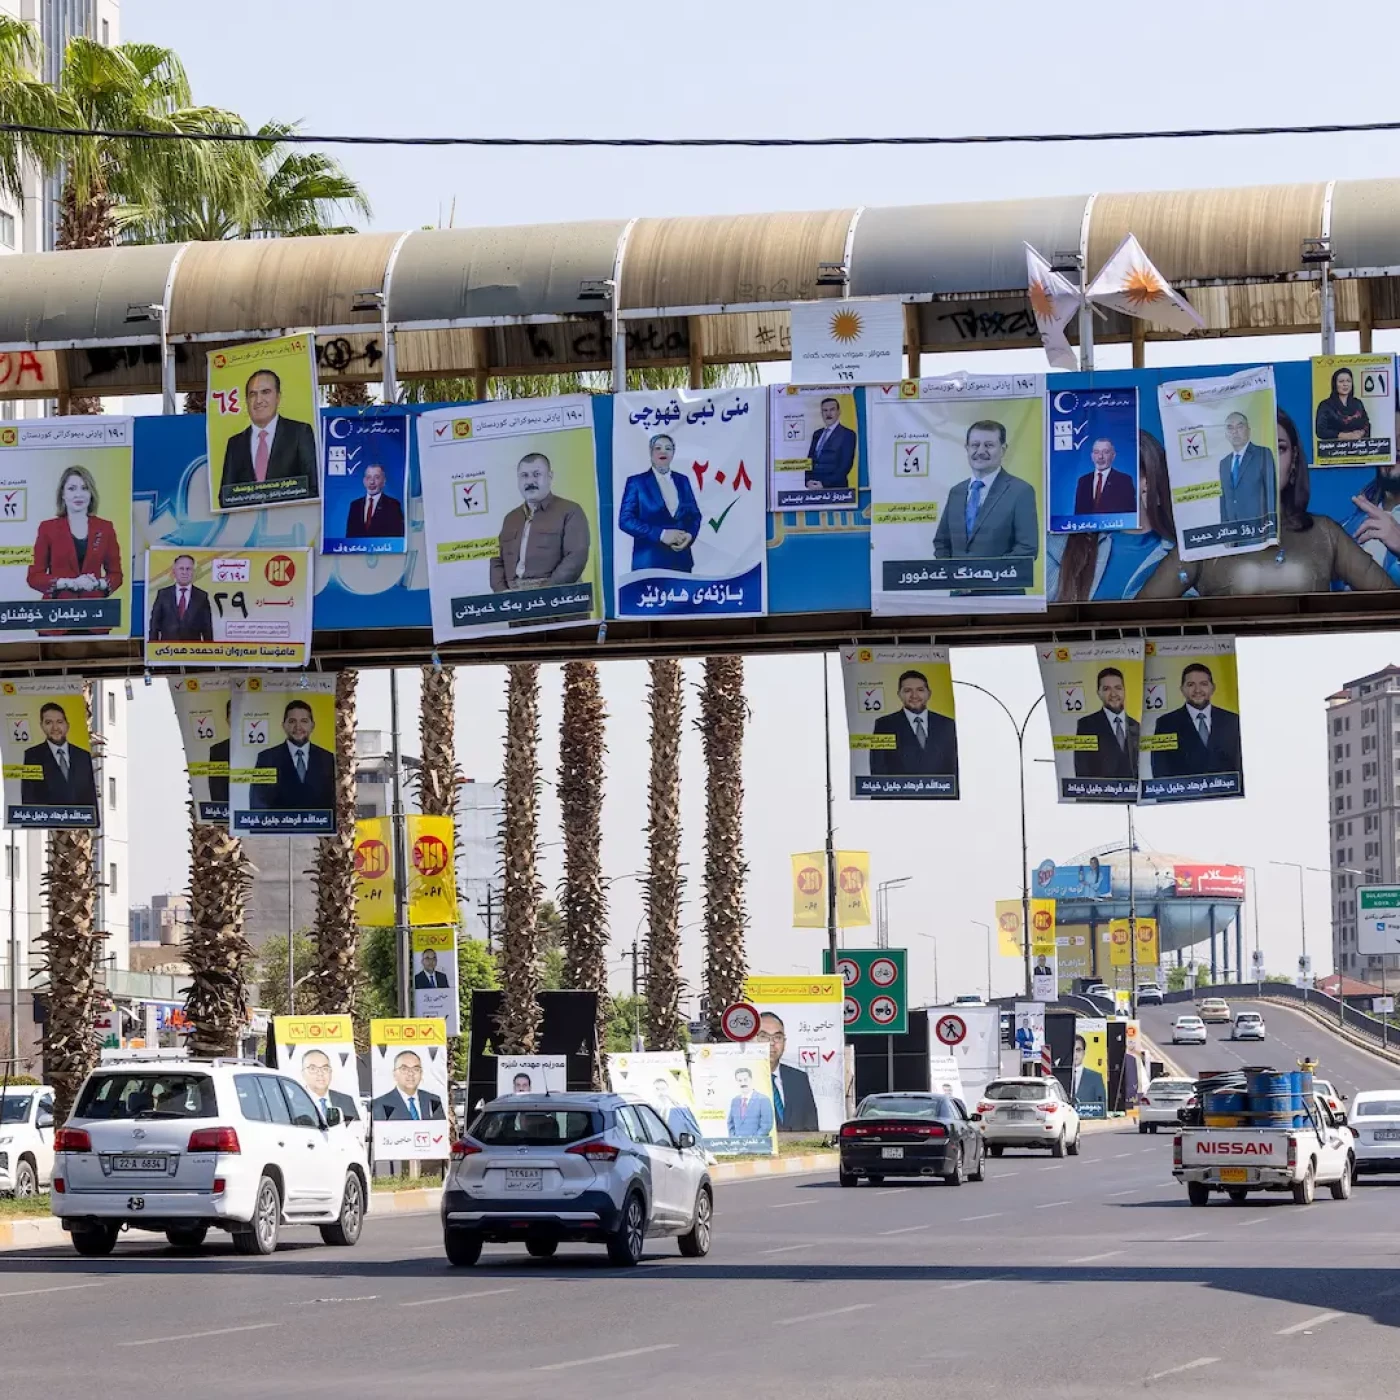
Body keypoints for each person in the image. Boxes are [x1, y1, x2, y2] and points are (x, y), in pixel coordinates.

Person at [1141, 411, 1394, 597]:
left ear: (1294, 461)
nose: (1266, 460)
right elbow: (1141, 611)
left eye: (1280, 448)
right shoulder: (1207, 536)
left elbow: (1390, 602)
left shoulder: (1325, 533)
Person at [1050, 431, 1176, 601]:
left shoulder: (1179, 555)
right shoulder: (1063, 547)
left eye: (1107, 454)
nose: (1101, 458)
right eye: (1096, 453)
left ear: (1145, 481)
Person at [932, 419, 1039, 570]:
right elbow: (941, 543)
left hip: (1001, 591)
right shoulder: (956, 492)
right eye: (975, 445)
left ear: (1003, 449)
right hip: (960, 591)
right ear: (967, 448)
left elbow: (1027, 549)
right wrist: (955, 575)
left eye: (989, 445)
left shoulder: (1021, 491)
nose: (981, 451)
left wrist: (978, 576)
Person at [26, 465, 123, 629]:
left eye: (84, 488)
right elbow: (34, 577)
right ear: (62, 494)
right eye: (72, 488)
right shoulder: (47, 528)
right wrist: (67, 583)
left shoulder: (105, 528)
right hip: (55, 619)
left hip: (95, 618)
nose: (78, 494)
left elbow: (116, 575)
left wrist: (98, 584)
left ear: (91, 493)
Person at [488, 451, 590, 592]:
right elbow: (497, 560)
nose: (530, 481)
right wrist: (503, 592)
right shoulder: (511, 518)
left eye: (537, 474)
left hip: (558, 594)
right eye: (524, 476)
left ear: (550, 476)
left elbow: (576, 557)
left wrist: (547, 592)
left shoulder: (570, 511)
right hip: (514, 597)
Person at [218, 369, 318, 508]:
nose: (258, 400)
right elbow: (225, 496)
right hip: (248, 527)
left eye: (265, 392)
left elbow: (313, 487)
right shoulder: (235, 443)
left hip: (290, 523)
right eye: (253, 394)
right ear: (246, 401)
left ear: (278, 397)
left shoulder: (299, 433)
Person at [618, 433, 703, 573]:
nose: (663, 451)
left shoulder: (683, 481)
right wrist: (661, 534)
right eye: (658, 448)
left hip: (681, 561)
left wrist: (690, 535)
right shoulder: (637, 483)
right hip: (649, 562)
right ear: (650, 452)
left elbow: (694, 515)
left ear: (673, 454)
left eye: (668, 448)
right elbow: (625, 520)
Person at [1149, 661, 1243, 781]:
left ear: (1213, 688)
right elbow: (1159, 770)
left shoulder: (1232, 720)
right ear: (1182, 689)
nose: (1197, 690)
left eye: (1203, 684)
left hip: (1228, 796)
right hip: (1186, 797)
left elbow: (1242, 765)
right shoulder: (1165, 723)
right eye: (1190, 684)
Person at [868, 668, 959, 779]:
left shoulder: (947, 724)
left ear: (929, 693)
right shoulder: (884, 725)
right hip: (900, 794)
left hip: (939, 793)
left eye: (920, 690)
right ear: (899, 694)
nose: (914, 695)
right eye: (907, 691)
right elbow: (878, 770)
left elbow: (953, 767)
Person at [250, 699, 336, 811]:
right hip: (279, 826)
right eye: (292, 721)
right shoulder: (266, 758)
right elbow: (258, 805)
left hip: (319, 826)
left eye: (304, 721)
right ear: (283, 725)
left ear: (312, 725)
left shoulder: (327, 759)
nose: (298, 727)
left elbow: (333, 803)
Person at [20, 701, 98, 809]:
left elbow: (90, 798)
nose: (55, 727)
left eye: (59, 722)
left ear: (67, 725)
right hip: (47, 821)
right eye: (48, 722)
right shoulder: (32, 756)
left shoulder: (83, 756)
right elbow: (29, 798)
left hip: (78, 821)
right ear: (41, 726)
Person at [755, 1012, 819, 1132]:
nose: (771, 1043)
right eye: (763, 1037)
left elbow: (812, 1126)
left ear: (784, 1042)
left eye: (777, 1037)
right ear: (752, 1040)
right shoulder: (741, 1080)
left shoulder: (799, 1079)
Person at [1217, 410, 1277, 540]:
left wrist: (1272, 531)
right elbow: (1224, 499)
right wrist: (1224, 531)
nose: (1235, 431)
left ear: (1248, 430)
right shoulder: (1224, 463)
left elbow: (1271, 493)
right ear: (1226, 434)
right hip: (1233, 534)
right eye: (1230, 428)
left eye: (1240, 426)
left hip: (1258, 532)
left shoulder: (1263, 454)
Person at [1073, 666, 1140, 780]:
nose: (1113, 694)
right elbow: (1082, 770)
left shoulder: (1136, 726)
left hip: (1132, 795)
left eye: (1118, 688)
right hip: (1102, 794)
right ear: (1098, 693)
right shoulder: (1086, 725)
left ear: (1124, 690)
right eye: (1106, 689)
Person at [147, 553, 213, 642]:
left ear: (193, 572)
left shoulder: (202, 597)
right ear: (174, 572)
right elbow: (154, 625)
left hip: (192, 651)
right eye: (181, 568)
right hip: (167, 650)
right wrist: (153, 648)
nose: (184, 572)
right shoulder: (163, 594)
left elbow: (207, 629)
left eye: (188, 569)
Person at [371, 1050, 443, 1120]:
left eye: (416, 1069)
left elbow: (440, 1129)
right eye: (404, 1069)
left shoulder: (433, 1100)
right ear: (394, 1074)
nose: (411, 1073)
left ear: (421, 1074)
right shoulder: (380, 1104)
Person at [1072, 437, 1136, 517]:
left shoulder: (1124, 481)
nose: (1100, 457)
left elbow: (1131, 516)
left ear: (1113, 455)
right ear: (1092, 456)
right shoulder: (1083, 481)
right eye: (1096, 452)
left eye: (1105, 452)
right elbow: (1078, 515)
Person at [804, 397, 857, 490]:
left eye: (832, 410)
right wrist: (808, 481)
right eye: (825, 410)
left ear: (839, 412)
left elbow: (845, 466)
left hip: (836, 490)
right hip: (814, 489)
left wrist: (823, 484)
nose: (828, 414)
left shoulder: (848, 434)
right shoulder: (817, 434)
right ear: (821, 413)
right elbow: (810, 460)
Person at [343, 463, 405, 539]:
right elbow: (349, 537)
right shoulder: (355, 505)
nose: (372, 482)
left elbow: (397, 537)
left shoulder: (393, 505)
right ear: (364, 481)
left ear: (384, 481)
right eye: (368, 477)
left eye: (377, 477)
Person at [1315, 366, 1371, 446]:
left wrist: (1361, 433)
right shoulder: (1325, 405)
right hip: (1333, 450)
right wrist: (1344, 435)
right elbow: (1321, 431)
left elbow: (1366, 424)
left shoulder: (1358, 403)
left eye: (1348, 381)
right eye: (1341, 381)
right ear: (1335, 384)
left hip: (1357, 448)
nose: (1345, 384)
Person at [300, 1048, 359, 1122]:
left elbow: (355, 1130)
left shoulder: (346, 1100)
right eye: (313, 1069)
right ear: (303, 1073)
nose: (320, 1073)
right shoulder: (292, 1103)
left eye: (325, 1068)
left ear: (331, 1072)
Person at [651, 1076, 704, 1143]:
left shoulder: (681, 1109)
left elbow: (694, 1132)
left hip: (678, 1147)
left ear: (668, 1090)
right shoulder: (649, 1110)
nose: (661, 1092)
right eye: (657, 1089)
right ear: (653, 1091)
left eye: (663, 1089)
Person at [725, 1067, 773, 1137]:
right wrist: (734, 1139)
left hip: (757, 1145)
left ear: (751, 1079)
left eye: (745, 1080)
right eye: (740, 1080)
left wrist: (752, 1141)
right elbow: (730, 1123)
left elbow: (767, 1125)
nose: (743, 1083)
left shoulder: (763, 1100)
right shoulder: (735, 1101)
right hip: (737, 1145)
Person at [1070, 1034, 1106, 1112]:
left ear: (1084, 1053)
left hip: (1089, 1121)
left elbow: (1102, 1107)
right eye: (1072, 1050)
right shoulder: (1057, 1078)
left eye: (1078, 1050)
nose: (1075, 1054)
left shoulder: (1096, 1077)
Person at [207, 698, 231, 806]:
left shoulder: (266, 753)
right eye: (232, 714)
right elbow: (216, 791)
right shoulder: (218, 751)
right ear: (227, 720)